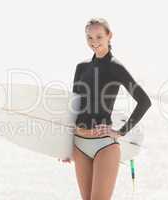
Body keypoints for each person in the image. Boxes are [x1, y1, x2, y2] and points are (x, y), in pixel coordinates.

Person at [59, 18, 152, 200]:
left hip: (104, 145)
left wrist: (121, 131)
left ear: (110, 35)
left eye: (99, 36)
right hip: (79, 144)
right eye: (89, 37)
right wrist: (64, 146)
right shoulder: (81, 67)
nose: (94, 42)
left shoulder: (115, 67)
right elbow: (74, 107)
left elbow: (144, 101)